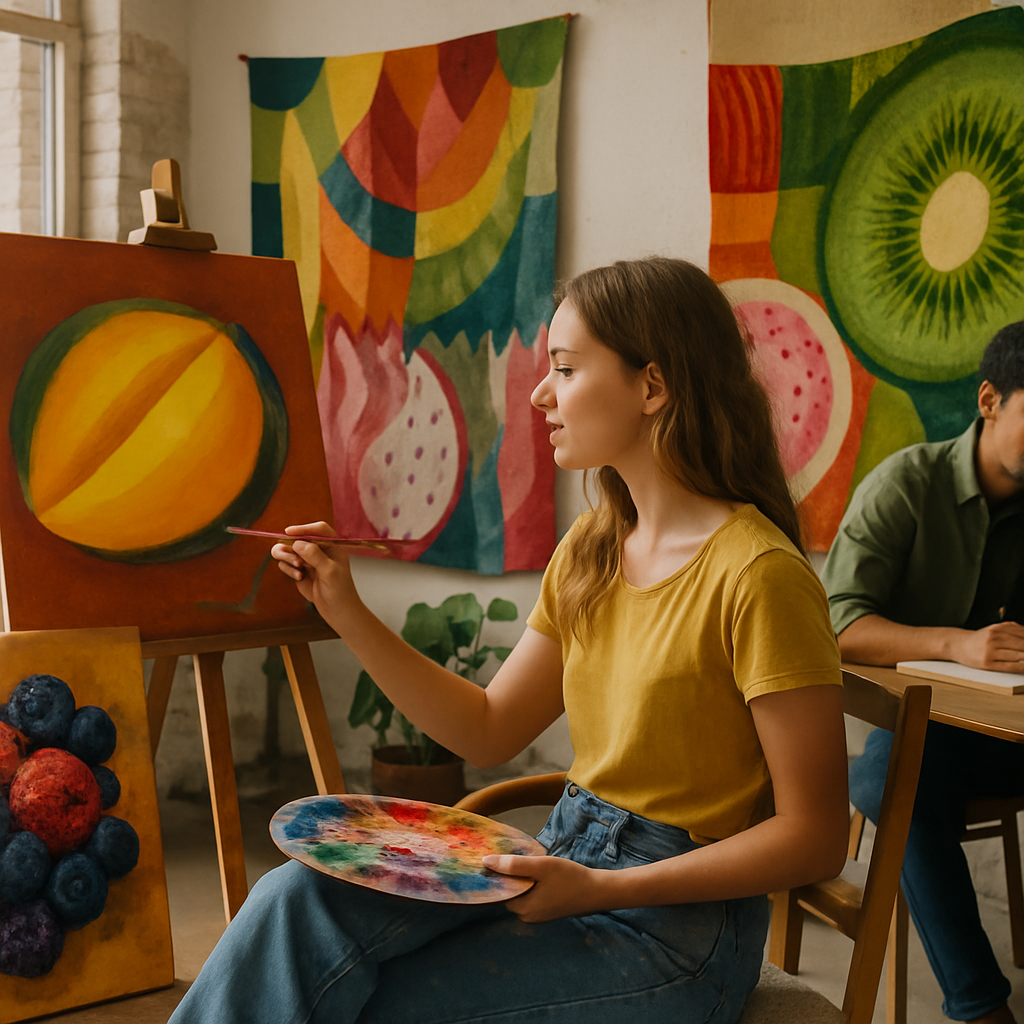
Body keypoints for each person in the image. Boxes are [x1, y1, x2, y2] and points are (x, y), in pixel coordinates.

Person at [168, 256, 849, 1024]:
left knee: (375, 1003)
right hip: (560, 854)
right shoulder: (595, 545)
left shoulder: (760, 577)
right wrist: (344, 608)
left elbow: (815, 837)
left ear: (653, 387)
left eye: (565, 367)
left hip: (674, 933)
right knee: (300, 895)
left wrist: (606, 888)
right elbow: (487, 729)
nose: (539, 392)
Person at [821, 321, 1024, 1024]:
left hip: (1009, 732)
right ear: (991, 400)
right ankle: (980, 1005)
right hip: (922, 730)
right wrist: (958, 645)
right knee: (888, 781)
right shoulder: (908, 483)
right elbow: (837, 626)